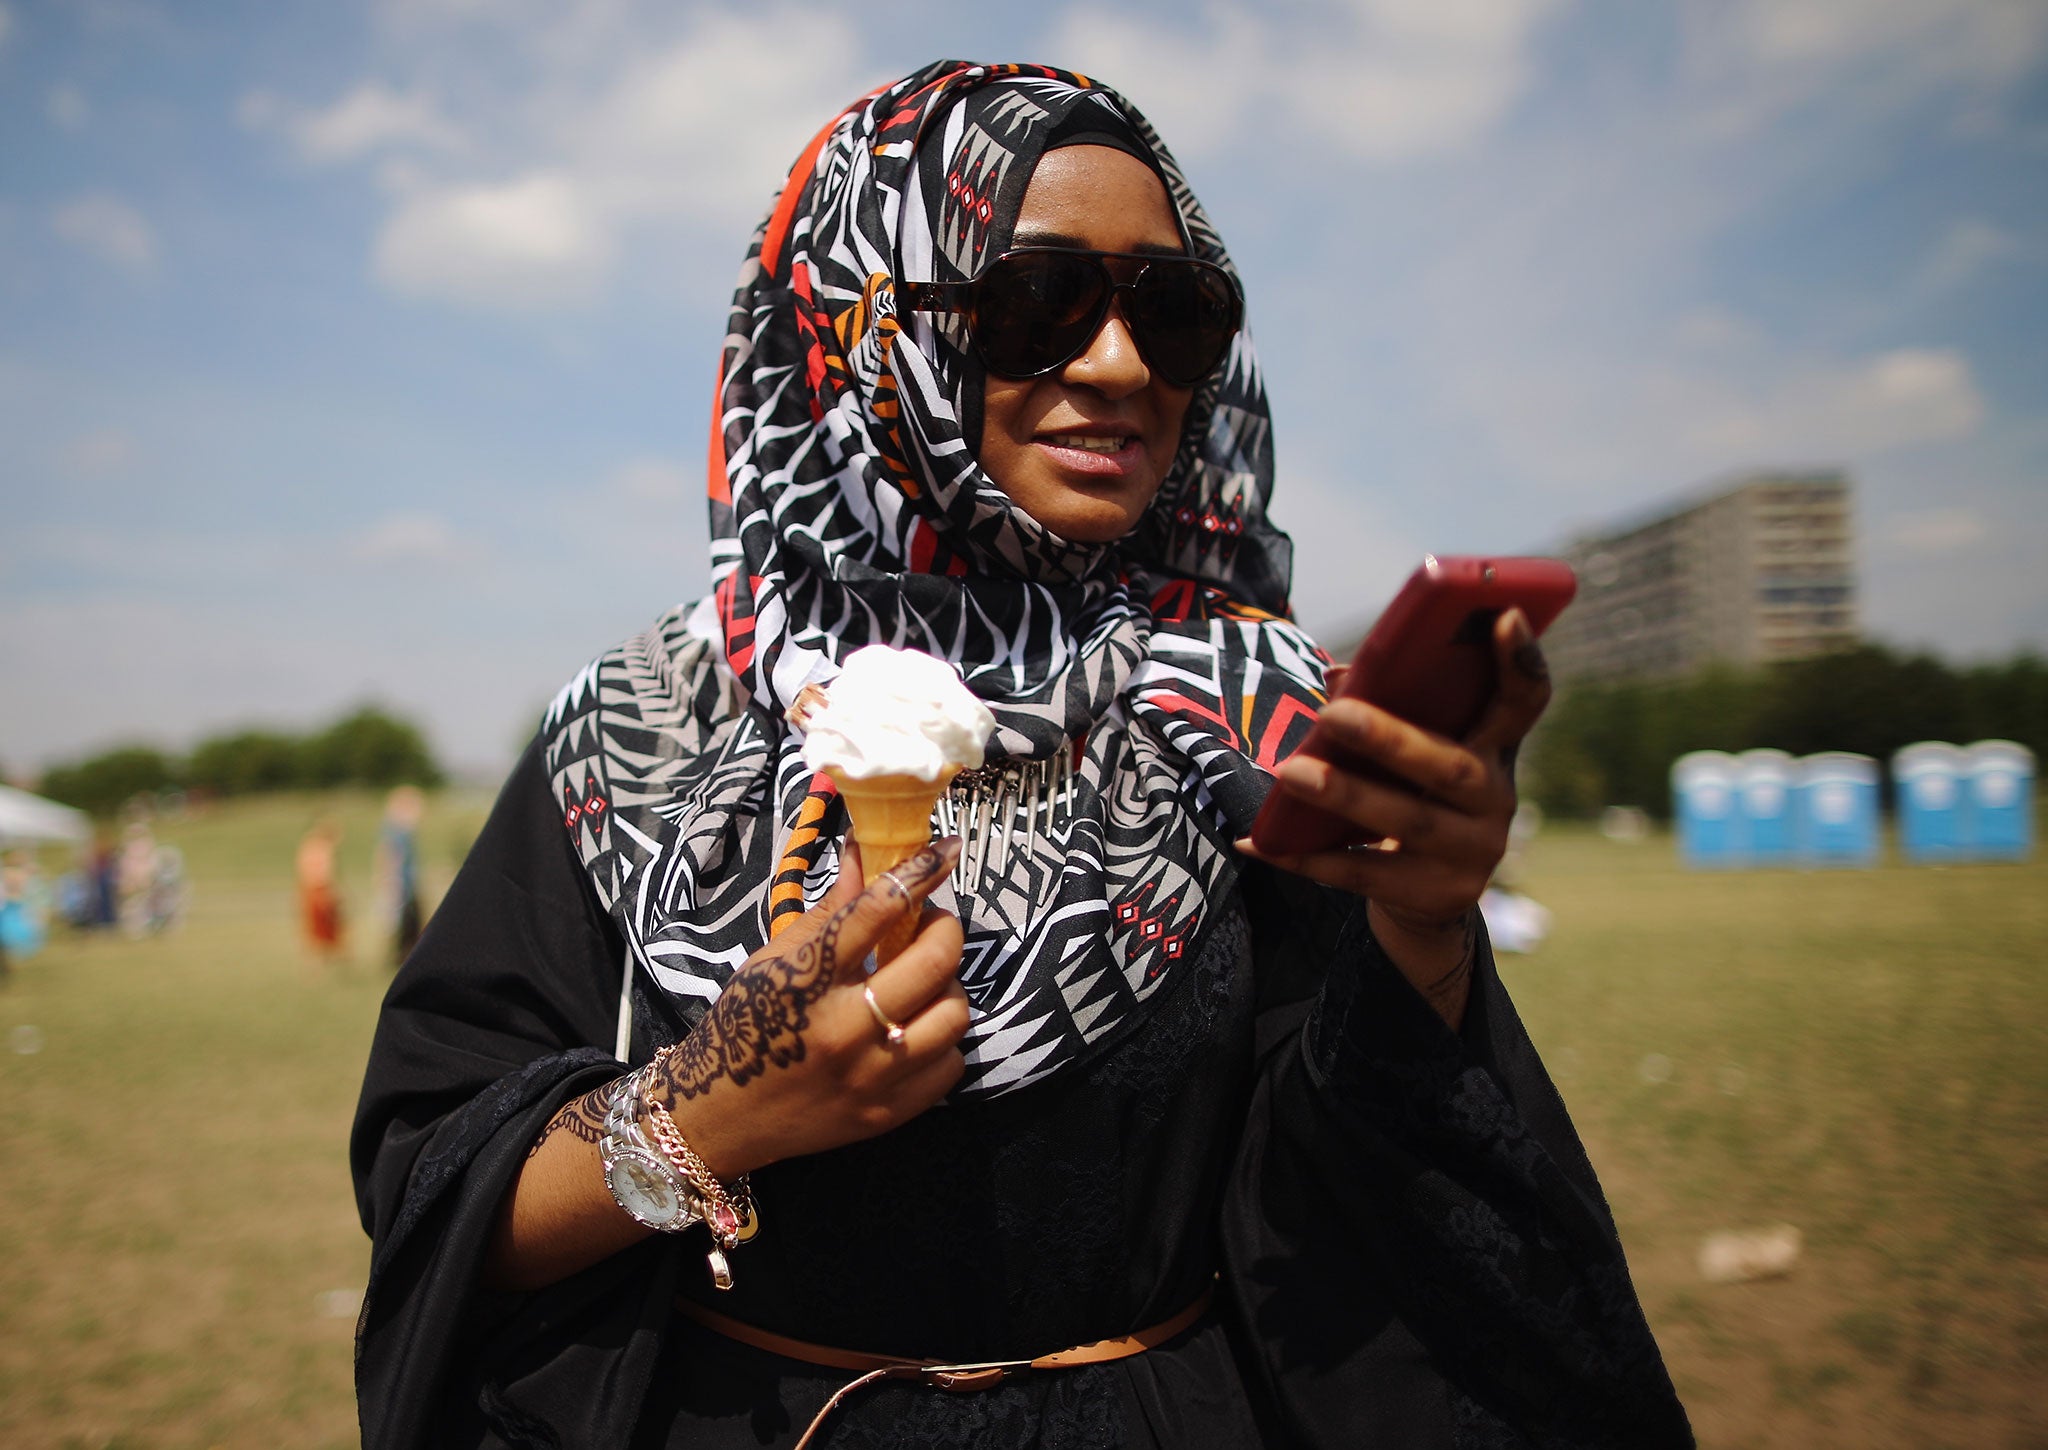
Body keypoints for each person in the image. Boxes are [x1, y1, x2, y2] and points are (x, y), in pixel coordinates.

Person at [352, 61, 1691, 1450]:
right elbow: (444, 1208)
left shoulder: (1254, 723)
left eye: (1173, 312)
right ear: (863, 331)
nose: (1118, 365)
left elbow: (1359, 1230)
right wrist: (704, 1110)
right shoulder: (640, 732)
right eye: (1034, 305)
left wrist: (1421, 930)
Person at [373, 785, 426, 967]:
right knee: (400, 925)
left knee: (412, 925)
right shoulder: (394, 831)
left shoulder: (405, 832)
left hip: (408, 884)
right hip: (400, 884)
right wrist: (390, 882)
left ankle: (406, 958)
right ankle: (395, 959)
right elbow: (388, 857)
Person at [297, 817, 346, 965]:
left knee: (318, 929)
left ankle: (323, 960)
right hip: (320, 890)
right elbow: (326, 874)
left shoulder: (308, 845)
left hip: (310, 889)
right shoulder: (324, 849)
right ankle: (322, 960)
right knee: (324, 928)